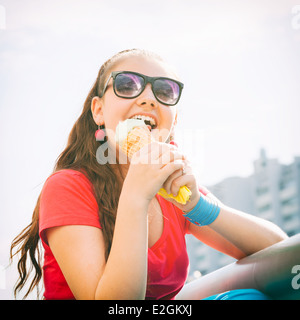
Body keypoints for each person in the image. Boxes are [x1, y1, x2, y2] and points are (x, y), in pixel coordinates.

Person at [10, 48, 287, 300]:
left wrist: (198, 206)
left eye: (165, 92)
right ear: (99, 111)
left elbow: (282, 254)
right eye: (126, 85)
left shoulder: (171, 185)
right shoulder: (68, 187)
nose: (147, 98)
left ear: (174, 119)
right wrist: (135, 196)